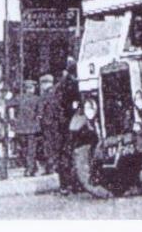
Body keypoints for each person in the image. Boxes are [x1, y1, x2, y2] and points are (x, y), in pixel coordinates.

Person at [54, 59, 81, 195]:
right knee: (69, 153)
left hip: (61, 124)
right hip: (67, 123)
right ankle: (71, 184)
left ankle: (65, 185)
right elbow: (71, 104)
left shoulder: (60, 86)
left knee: (64, 154)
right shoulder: (71, 84)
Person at [8, 80, 41, 176]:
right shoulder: (37, 99)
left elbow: (10, 106)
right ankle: (30, 169)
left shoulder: (19, 98)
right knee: (31, 150)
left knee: (24, 149)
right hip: (32, 128)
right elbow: (39, 114)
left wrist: (13, 119)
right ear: (32, 88)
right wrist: (38, 121)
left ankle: (30, 167)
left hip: (20, 128)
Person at [37, 74, 59, 176]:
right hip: (57, 122)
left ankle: (50, 166)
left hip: (47, 123)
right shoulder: (57, 93)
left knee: (48, 144)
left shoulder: (44, 95)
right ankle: (55, 165)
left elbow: (40, 111)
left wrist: (39, 117)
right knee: (56, 143)